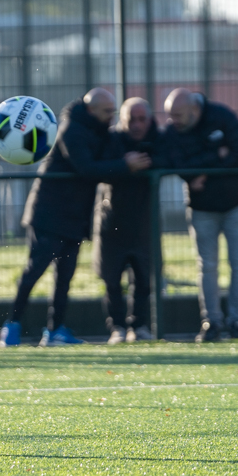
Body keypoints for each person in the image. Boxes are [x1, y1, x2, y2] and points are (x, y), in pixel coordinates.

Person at [0, 89, 151, 347]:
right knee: (34, 271)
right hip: (49, 214)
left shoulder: (98, 130)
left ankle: (55, 329)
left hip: (74, 217)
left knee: (65, 276)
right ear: (91, 110)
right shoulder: (72, 130)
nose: (111, 118)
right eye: (106, 112)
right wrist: (126, 165)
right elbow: (88, 167)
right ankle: (11, 325)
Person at [164, 89, 238, 342]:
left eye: (179, 115)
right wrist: (217, 156)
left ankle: (237, 322)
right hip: (201, 208)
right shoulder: (173, 130)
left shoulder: (221, 115)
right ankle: (211, 322)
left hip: (237, 203)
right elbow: (178, 164)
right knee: (207, 266)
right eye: (170, 115)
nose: (174, 121)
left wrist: (204, 171)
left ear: (194, 110)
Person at [93, 98, 164, 344]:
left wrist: (149, 162)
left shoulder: (159, 139)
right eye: (131, 119)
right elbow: (97, 167)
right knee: (112, 279)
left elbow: (173, 159)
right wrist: (125, 165)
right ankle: (117, 327)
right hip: (112, 221)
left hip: (144, 222)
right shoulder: (112, 140)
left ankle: (140, 326)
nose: (136, 124)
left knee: (144, 278)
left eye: (142, 119)